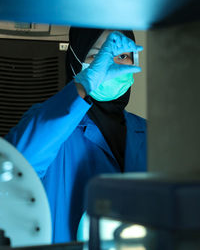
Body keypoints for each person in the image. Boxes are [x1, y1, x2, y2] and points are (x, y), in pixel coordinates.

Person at [5, 27, 147, 244]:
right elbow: (15, 165)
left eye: (123, 55)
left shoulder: (148, 133)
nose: (112, 63)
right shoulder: (54, 126)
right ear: (76, 61)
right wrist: (84, 84)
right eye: (97, 56)